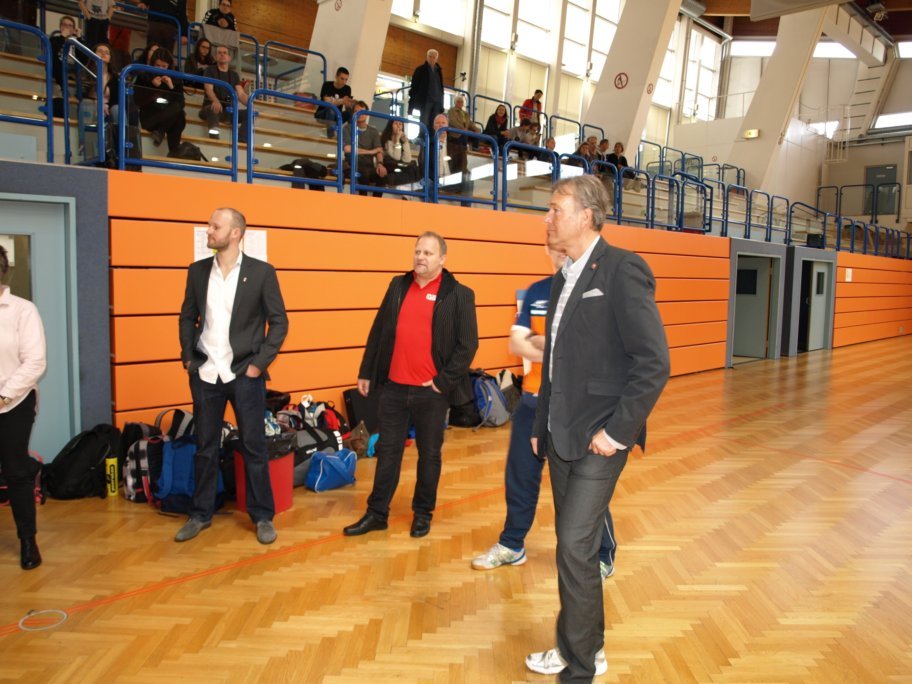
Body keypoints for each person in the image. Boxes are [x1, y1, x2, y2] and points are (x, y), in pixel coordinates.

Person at [525, 175, 670, 681]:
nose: (547, 218)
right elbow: (554, 363)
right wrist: (541, 422)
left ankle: (579, 667)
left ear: (586, 215)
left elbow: (653, 362)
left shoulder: (623, 268)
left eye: (555, 208)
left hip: (600, 439)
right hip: (561, 433)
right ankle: (586, 645)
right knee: (578, 549)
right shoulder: (562, 278)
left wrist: (617, 432)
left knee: (573, 544)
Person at [472, 247, 618, 581]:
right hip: (531, 403)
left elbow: (591, 352)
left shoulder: (594, 291)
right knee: (520, 477)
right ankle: (512, 544)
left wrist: (540, 342)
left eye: (567, 246)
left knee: (584, 485)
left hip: (575, 409)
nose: (561, 253)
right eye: (556, 247)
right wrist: (554, 346)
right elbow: (517, 345)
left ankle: (602, 554)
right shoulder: (537, 292)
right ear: (549, 251)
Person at [344, 232, 478, 539]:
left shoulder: (459, 294)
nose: (420, 257)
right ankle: (377, 513)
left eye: (428, 253)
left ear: (442, 259)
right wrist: (366, 371)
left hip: (431, 393)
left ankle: (422, 513)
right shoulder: (397, 285)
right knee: (388, 452)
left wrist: (442, 382)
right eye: (418, 251)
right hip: (393, 388)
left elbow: (468, 345)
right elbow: (378, 330)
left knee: (429, 455)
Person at [177, 207, 288, 544]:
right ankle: (200, 514)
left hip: (244, 374)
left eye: (215, 226)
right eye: (209, 225)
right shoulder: (197, 271)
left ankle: (263, 516)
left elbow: (279, 322)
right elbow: (187, 317)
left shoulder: (262, 273)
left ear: (236, 233)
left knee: (254, 447)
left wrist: (258, 364)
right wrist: (188, 357)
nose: (208, 231)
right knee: (205, 448)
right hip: (205, 374)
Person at [0, 244, 47, 570]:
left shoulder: (22, 310)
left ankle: (28, 540)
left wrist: (3, 396)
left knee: (16, 471)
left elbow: (35, 362)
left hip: (13, 403)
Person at [133, 47, 185, 153]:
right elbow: (137, 101)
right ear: (153, 64)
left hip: (168, 118)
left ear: (169, 66)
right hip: (150, 117)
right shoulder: (144, 76)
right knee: (179, 114)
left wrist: (171, 87)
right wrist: (152, 86)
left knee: (180, 115)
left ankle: (162, 134)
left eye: (164, 66)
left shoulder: (175, 78)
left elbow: (181, 103)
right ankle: (174, 151)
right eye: (158, 65)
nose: (160, 69)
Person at [200, 44, 249, 140]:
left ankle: (241, 141)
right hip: (211, 108)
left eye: (225, 53)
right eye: (219, 53)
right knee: (213, 108)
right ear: (215, 57)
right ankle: (214, 139)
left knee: (249, 114)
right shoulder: (210, 70)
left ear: (229, 58)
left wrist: (250, 103)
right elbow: (208, 89)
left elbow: (241, 94)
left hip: (227, 111)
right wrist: (215, 101)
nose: (222, 54)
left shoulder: (234, 75)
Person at [342, 100, 388, 197]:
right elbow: (348, 149)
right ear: (353, 114)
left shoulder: (373, 131)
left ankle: (375, 202)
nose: (359, 114)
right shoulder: (347, 128)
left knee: (383, 174)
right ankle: (364, 201)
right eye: (356, 111)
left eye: (362, 111)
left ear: (367, 114)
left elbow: (379, 151)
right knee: (363, 172)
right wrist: (371, 152)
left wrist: (380, 164)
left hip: (368, 166)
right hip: (352, 165)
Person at [409, 49, 444, 134]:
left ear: (436, 59)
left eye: (434, 57)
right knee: (424, 121)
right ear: (427, 57)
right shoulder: (420, 69)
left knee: (435, 122)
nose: (432, 59)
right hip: (425, 100)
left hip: (437, 102)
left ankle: (432, 139)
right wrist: (413, 99)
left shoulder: (438, 71)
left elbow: (441, 87)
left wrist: (441, 102)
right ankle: (422, 137)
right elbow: (414, 85)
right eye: (430, 56)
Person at [315, 66, 353, 138]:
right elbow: (327, 102)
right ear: (336, 77)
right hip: (322, 114)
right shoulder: (327, 85)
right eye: (342, 78)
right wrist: (342, 100)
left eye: (346, 79)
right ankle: (330, 135)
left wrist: (350, 104)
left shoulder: (347, 89)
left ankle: (349, 137)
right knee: (331, 109)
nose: (344, 82)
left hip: (337, 116)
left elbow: (346, 106)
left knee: (351, 113)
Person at [380, 118, 418, 186]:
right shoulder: (387, 141)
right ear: (390, 126)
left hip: (399, 168)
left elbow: (407, 159)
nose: (398, 126)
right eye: (396, 123)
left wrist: (405, 142)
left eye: (400, 124)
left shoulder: (402, 141)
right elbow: (396, 157)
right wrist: (397, 139)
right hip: (389, 168)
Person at [445, 95, 478, 168]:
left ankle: (474, 151)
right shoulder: (451, 111)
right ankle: (461, 165)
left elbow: (470, 123)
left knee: (476, 134)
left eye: (462, 102)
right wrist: (462, 128)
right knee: (463, 139)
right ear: (455, 102)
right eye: (458, 102)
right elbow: (452, 121)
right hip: (455, 133)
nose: (460, 103)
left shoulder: (465, 113)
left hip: (464, 133)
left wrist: (477, 129)